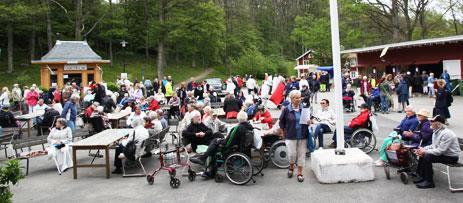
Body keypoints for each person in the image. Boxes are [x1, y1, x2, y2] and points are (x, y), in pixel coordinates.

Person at [413, 115, 461, 189]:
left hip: (451, 157)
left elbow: (440, 151)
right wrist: (422, 149)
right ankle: (423, 177)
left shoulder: (447, 134)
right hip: (444, 154)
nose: (430, 122)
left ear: (438, 124)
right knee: (423, 154)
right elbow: (433, 145)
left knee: (426, 156)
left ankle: (429, 182)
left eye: (432, 121)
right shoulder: (436, 131)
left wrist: (424, 151)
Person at [279, 90, 309, 182]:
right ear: (291, 99)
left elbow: (308, 119)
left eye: (299, 97)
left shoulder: (304, 108)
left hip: (302, 135)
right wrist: (282, 133)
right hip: (290, 135)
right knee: (292, 155)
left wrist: (309, 122)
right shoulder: (286, 109)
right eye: (296, 98)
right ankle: (291, 167)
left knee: (301, 155)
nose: (298, 99)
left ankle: (300, 173)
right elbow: (281, 122)